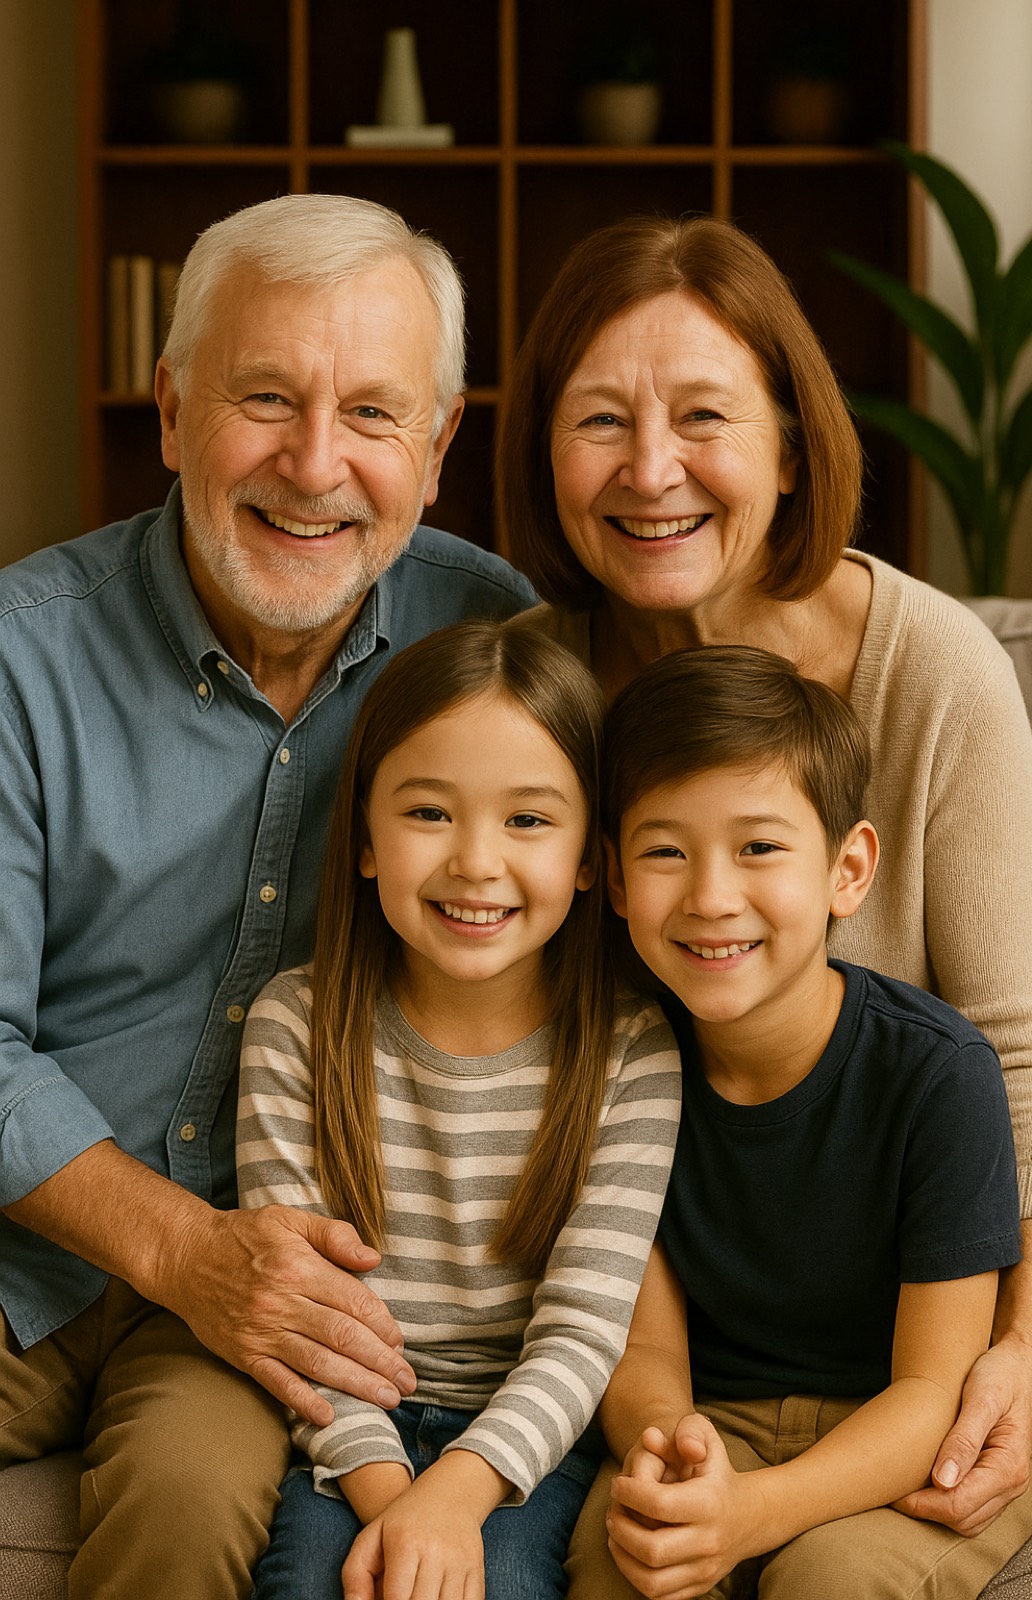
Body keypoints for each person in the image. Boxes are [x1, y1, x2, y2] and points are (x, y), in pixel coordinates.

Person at [0, 193, 537, 1599]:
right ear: (172, 411)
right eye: (263, 398)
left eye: (372, 411)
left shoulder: (496, 648)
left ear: (439, 441)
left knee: (186, 1507)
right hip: (31, 1246)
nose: (315, 464)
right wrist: (187, 1251)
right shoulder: (20, 659)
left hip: (274, 1294)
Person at [497, 213, 1032, 1533]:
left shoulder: (929, 675)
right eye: (596, 423)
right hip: (645, 1332)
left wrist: (1019, 1349)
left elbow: (1021, 1048)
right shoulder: (526, 691)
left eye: (703, 416)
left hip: (924, 1316)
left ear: (791, 447)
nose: (650, 472)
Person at [569, 642, 1032, 1599]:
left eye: (759, 847)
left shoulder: (938, 1076)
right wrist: (682, 1456)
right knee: (629, 1562)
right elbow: (646, 1353)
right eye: (666, 850)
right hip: (717, 1416)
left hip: (914, 1434)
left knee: (828, 1580)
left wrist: (756, 1512)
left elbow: (932, 1392)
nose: (712, 896)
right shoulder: (619, 1067)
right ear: (617, 880)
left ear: (848, 869)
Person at [235, 620, 681, 1600]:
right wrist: (400, 1500)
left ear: (588, 860)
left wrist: (457, 1496)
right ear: (362, 837)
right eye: (430, 813)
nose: (477, 862)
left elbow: (580, 1336)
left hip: (524, 1439)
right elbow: (305, 1324)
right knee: (320, 1583)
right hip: (351, 1432)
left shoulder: (631, 1050)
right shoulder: (293, 1027)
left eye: (528, 821)